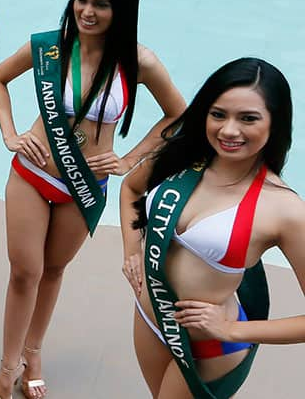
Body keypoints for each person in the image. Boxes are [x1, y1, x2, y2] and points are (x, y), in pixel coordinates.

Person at [0, 0, 186, 399]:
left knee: (53, 271)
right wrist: (10, 133)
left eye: (101, 4)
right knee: (25, 272)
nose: (87, 12)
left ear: (124, 8)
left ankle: (34, 352)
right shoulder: (49, 46)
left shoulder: (139, 62)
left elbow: (178, 115)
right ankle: (6, 367)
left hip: (85, 187)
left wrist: (129, 159)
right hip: (33, 173)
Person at [122, 58, 305, 399]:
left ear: (275, 123)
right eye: (218, 114)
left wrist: (233, 329)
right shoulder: (179, 154)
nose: (229, 130)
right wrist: (132, 250)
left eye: (248, 118)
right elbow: (131, 188)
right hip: (150, 318)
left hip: (208, 347)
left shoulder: (284, 208)